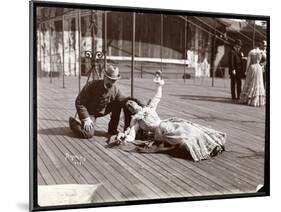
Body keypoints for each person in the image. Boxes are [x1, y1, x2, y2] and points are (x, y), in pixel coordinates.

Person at [113, 72, 226, 162]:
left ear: (137, 102)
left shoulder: (149, 108)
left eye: (131, 102)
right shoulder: (136, 120)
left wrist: (159, 85)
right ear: (129, 110)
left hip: (166, 124)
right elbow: (131, 134)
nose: (130, 105)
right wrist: (124, 138)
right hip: (161, 133)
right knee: (184, 139)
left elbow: (157, 97)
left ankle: (212, 143)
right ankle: (202, 149)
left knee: (188, 128)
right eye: (128, 106)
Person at [69, 65, 128, 138]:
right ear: (105, 77)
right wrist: (86, 118)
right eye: (109, 79)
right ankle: (73, 123)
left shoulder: (115, 89)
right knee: (88, 134)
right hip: (90, 112)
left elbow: (124, 100)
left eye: (113, 80)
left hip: (103, 110)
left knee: (119, 103)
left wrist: (135, 105)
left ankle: (112, 129)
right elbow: (79, 102)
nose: (111, 82)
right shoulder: (92, 85)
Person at [239, 42, 266, 107]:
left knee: (250, 82)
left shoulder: (251, 52)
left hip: (252, 67)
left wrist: (246, 70)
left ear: (255, 45)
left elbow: (248, 62)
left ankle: (247, 99)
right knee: (258, 83)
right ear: (259, 46)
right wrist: (263, 64)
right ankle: (256, 100)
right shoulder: (261, 52)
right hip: (259, 68)